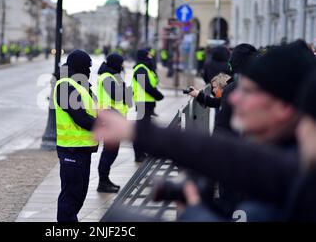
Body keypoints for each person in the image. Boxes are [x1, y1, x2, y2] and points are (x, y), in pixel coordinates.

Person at [94, 40, 316, 221]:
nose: (234, 97)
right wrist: (143, 133)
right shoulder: (295, 157)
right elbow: (232, 154)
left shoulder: (300, 183)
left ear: (283, 106)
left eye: (247, 91)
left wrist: (193, 213)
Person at [54, 50, 98, 222]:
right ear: (79, 67)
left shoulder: (79, 85)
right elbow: (79, 116)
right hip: (71, 149)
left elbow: (89, 110)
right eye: (86, 68)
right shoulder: (65, 85)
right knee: (70, 198)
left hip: (82, 148)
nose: (88, 71)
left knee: (78, 195)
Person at [96, 53, 131, 193]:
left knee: (111, 151)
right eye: (121, 63)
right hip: (109, 118)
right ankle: (103, 182)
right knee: (109, 151)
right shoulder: (107, 77)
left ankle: (105, 179)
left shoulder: (112, 76)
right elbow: (117, 95)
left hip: (113, 118)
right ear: (115, 63)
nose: (122, 66)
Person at [131, 49, 164, 162]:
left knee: (144, 128)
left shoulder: (145, 68)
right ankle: (138, 154)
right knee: (141, 129)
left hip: (146, 102)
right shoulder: (141, 69)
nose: (150, 57)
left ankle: (142, 152)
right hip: (142, 103)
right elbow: (146, 85)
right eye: (148, 55)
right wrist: (158, 95)